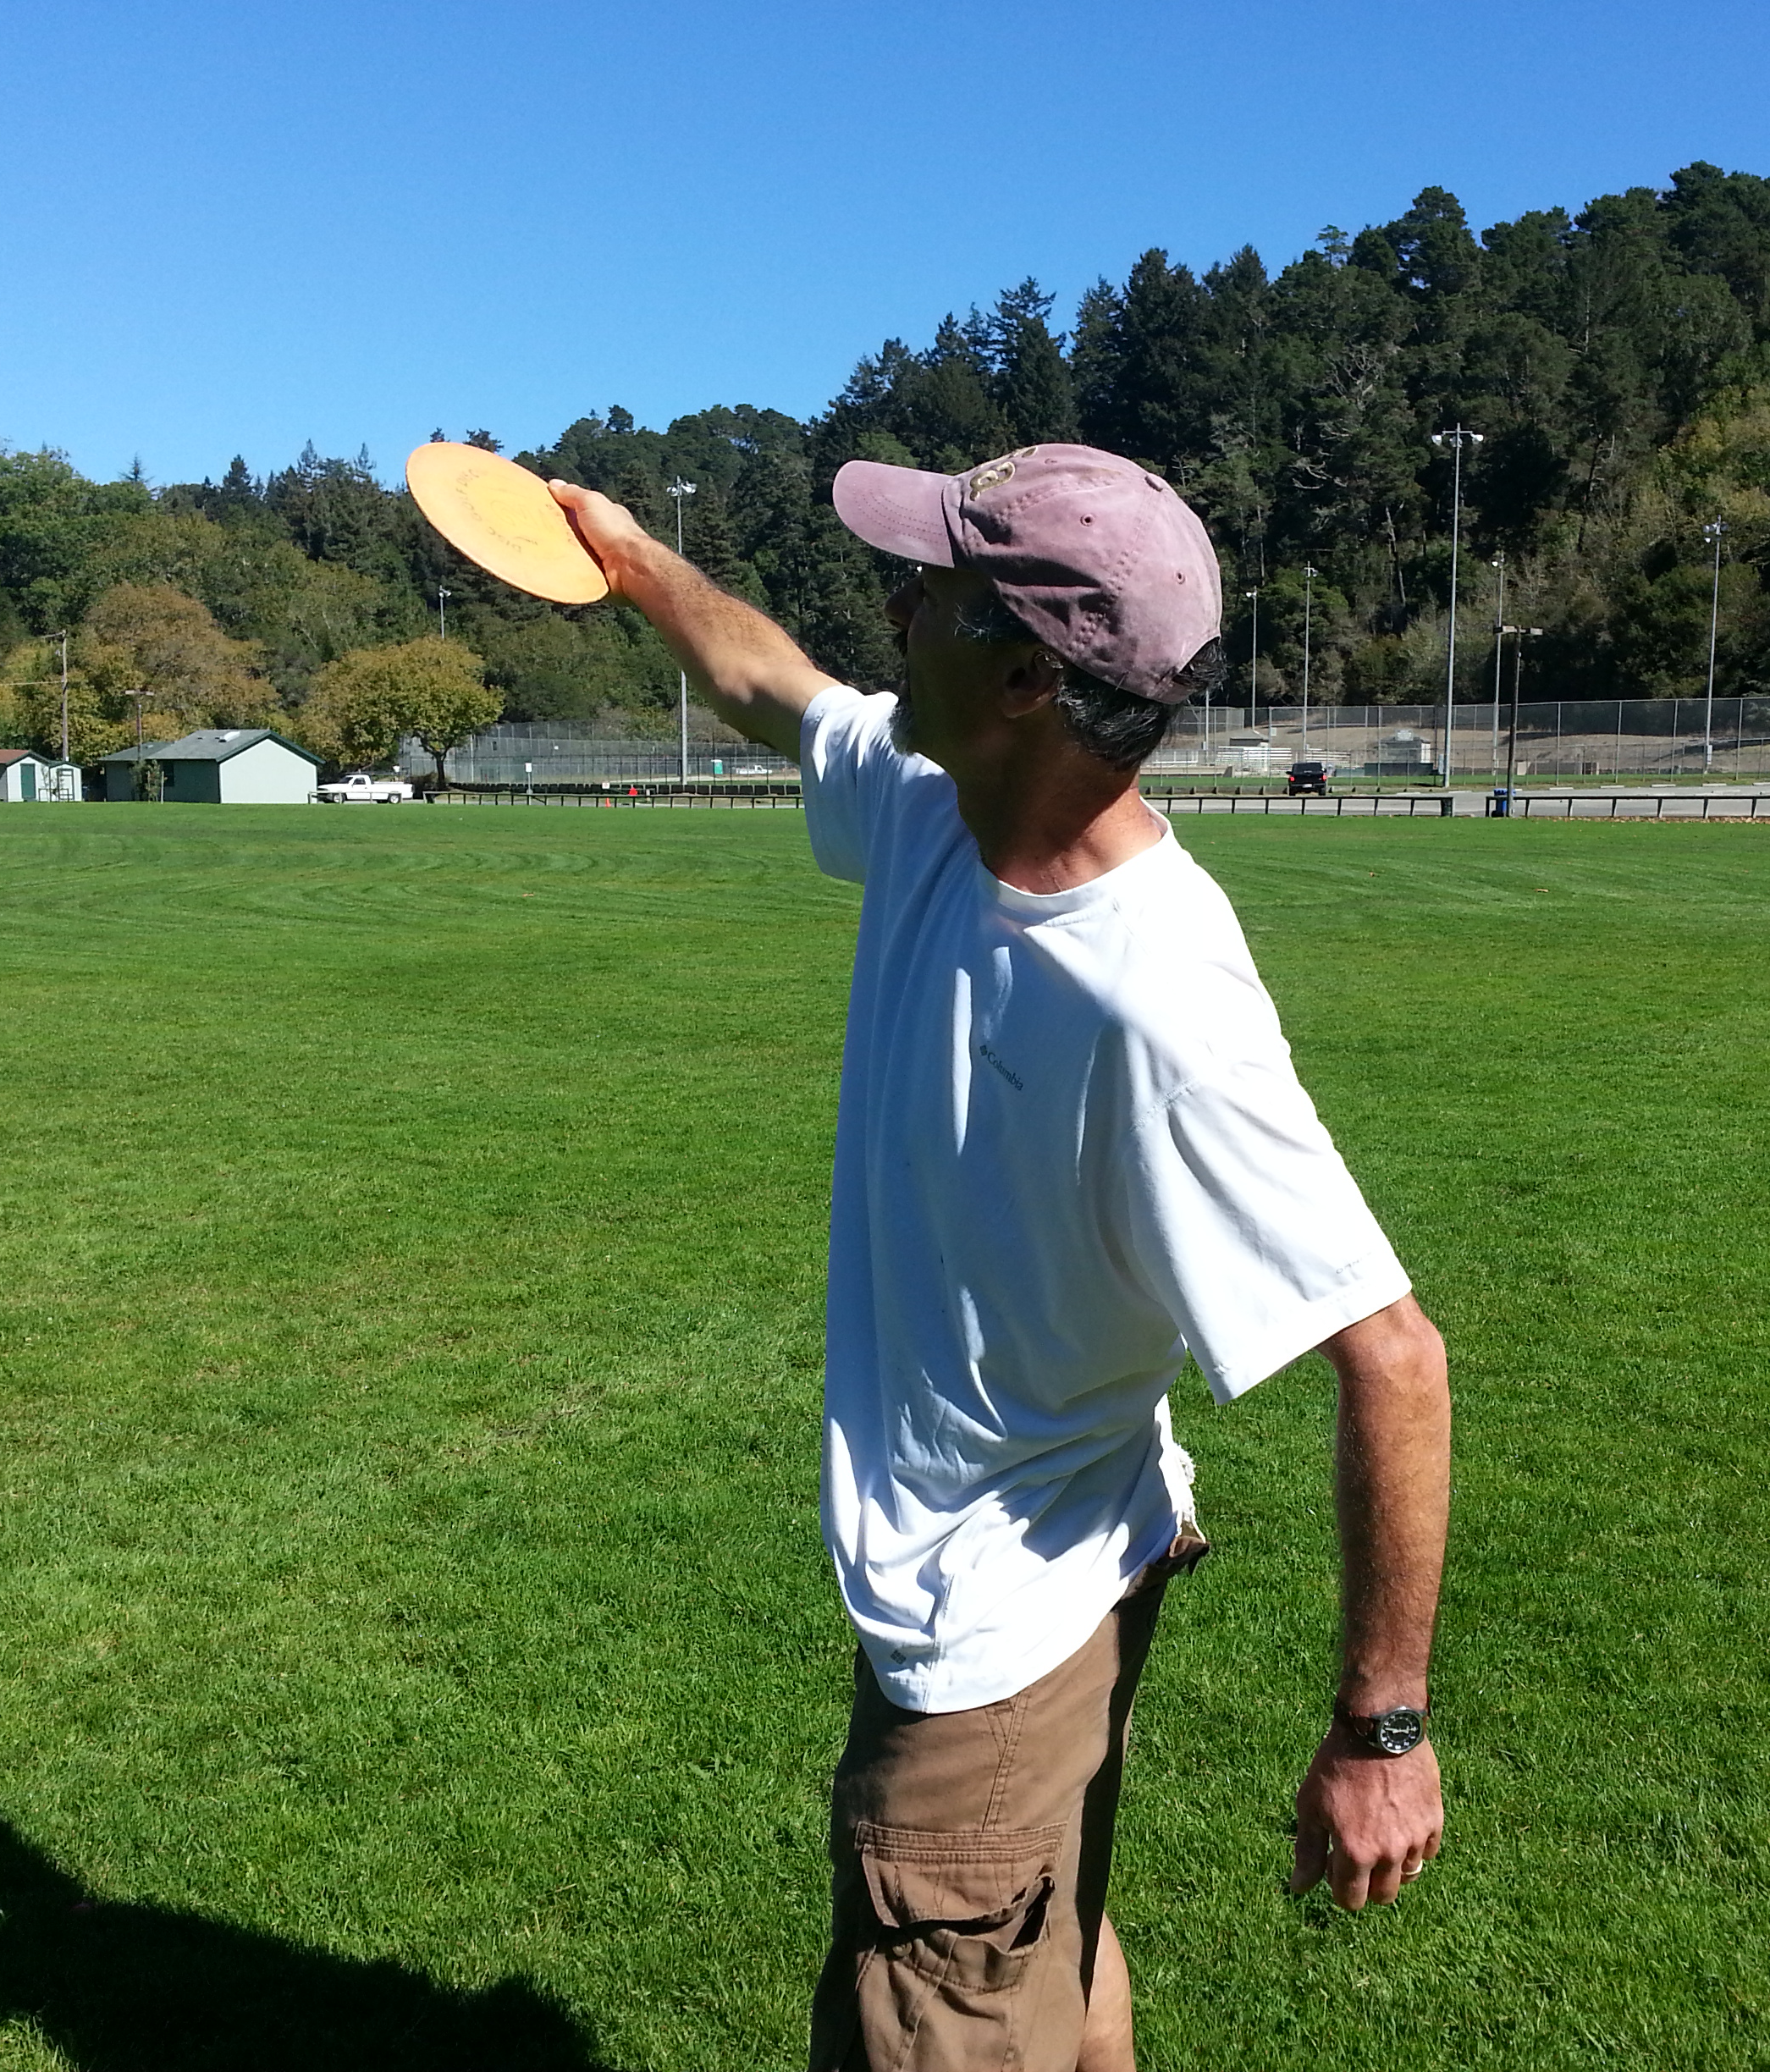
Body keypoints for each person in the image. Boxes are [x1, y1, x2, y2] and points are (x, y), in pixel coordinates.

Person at [548, 446, 1450, 2072]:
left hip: (995, 1630)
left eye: (935, 590)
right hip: (1083, 1557)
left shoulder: (1157, 1006)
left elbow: (1394, 1357)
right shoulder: (933, 804)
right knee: (1060, 1934)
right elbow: (767, 683)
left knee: (949, 1987)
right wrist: (627, 561)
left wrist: (1381, 1733)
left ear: (1028, 678)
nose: (897, 610)